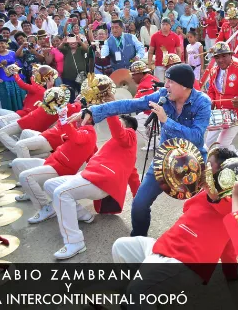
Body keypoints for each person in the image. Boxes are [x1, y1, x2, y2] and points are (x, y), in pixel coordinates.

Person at [71, 64, 211, 237]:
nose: (165, 85)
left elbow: (197, 137)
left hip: (193, 160)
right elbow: (131, 104)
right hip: (165, 158)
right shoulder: (163, 96)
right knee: (139, 204)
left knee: (207, 205)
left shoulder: (202, 102)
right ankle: (137, 241)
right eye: (165, 80)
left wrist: (167, 121)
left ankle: (202, 244)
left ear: (184, 86)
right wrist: (93, 110)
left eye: (170, 81)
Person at [112, 148, 238, 306]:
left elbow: (228, 207)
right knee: (121, 246)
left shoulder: (230, 203)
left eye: (209, 165)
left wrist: (232, 276)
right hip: (162, 248)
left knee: (137, 292)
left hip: (185, 264)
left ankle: (138, 297)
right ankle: (144, 295)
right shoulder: (202, 193)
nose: (203, 167)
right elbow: (228, 247)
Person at [44, 114, 140, 259]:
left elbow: (118, 131)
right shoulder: (122, 148)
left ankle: (74, 242)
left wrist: (109, 109)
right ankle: (83, 214)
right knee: (49, 184)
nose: (115, 126)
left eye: (119, 122)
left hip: (99, 180)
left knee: (61, 193)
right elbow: (133, 177)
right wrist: (65, 119)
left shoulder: (130, 135)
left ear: (128, 127)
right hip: (88, 175)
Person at [12, 105, 97, 225]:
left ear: (88, 119)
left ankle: (46, 207)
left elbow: (77, 138)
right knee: (17, 163)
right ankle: (30, 192)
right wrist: (63, 120)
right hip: (52, 162)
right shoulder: (83, 131)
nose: (76, 117)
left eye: (79, 115)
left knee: (25, 177)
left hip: (59, 168)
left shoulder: (88, 132)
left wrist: (63, 119)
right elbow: (71, 136)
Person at [206, 42, 238, 151]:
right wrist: (210, 101)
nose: (220, 60)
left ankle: (234, 162)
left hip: (235, 115)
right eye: (217, 57)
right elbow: (211, 90)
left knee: (222, 145)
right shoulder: (214, 70)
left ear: (231, 55)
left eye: (224, 56)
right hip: (219, 114)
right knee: (208, 143)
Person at [0, 34, 26, 111]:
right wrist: (0, 64)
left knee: (20, 97)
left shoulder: (12, 52)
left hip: (16, 79)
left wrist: (16, 64)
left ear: (6, 44)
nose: (0, 45)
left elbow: (19, 63)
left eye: (2, 43)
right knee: (6, 99)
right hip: (3, 81)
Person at [130, 61, 159, 151]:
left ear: (140, 74)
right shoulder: (153, 78)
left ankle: (152, 143)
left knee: (133, 121)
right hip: (160, 113)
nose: (132, 77)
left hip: (155, 116)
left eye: (134, 74)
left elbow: (135, 104)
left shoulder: (144, 85)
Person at [148, 17, 181, 82]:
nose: (164, 26)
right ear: (160, 25)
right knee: (158, 83)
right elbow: (151, 51)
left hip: (171, 65)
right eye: (163, 24)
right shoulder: (155, 36)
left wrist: (178, 64)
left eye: (166, 24)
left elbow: (179, 51)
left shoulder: (175, 36)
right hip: (159, 64)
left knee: (170, 84)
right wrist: (149, 64)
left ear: (170, 26)